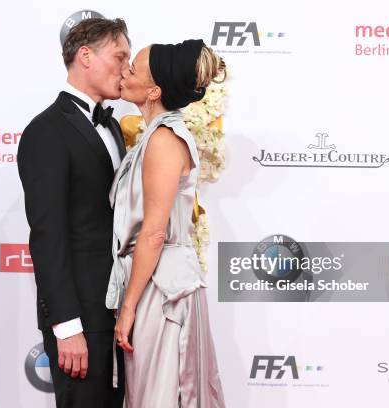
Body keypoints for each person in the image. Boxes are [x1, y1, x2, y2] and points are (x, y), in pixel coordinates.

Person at [107, 39, 226, 407]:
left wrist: (128, 307)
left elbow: (154, 233)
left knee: (158, 395)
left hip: (161, 292)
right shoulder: (154, 136)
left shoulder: (163, 140)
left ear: (153, 90)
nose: (124, 71)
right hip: (155, 284)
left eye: (133, 69)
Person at [17, 17, 130, 408]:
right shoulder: (46, 131)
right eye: (119, 56)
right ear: (85, 56)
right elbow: (48, 237)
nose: (126, 68)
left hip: (118, 313)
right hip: (81, 318)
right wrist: (66, 327)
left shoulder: (113, 127)